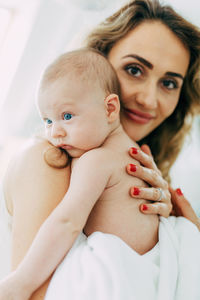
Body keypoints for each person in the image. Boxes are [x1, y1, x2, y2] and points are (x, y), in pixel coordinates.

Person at [1, 0, 200, 299]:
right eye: (134, 69)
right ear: (97, 61)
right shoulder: (49, 161)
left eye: (169, 83)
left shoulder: (142, 170)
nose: (148, 98)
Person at [0, 47, 159, 299]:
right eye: (48, 121)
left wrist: (21, 283)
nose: (55, 133)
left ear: (109, 109)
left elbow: (66, 222)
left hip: (117, 278)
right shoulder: (137, 154)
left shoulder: (96, 160)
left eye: (66, 116)